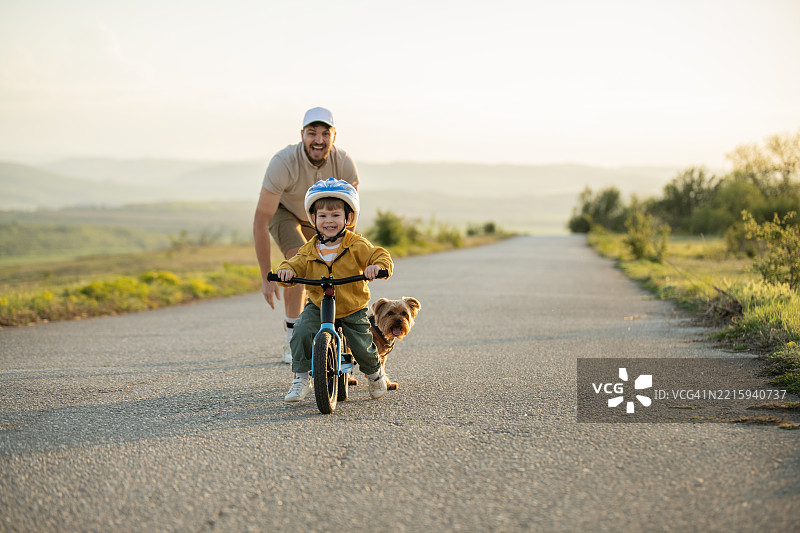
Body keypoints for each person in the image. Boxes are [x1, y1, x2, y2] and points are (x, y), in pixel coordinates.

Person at [253, 107, 360, 363]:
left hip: (323, 217)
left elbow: (350, 217)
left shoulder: (344, 163)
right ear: (302, 134)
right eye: (312, 133)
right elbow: (261, 220)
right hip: (286, 213)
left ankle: (323, 326)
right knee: (299, 258)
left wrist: (344, 257)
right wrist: (266, 276)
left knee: (330, 265)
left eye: (325, 133)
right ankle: (292, 338)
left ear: (334, 136)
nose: (319, 140)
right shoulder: (283, 163)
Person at [275, 179, 393, 402]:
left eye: (336, 215)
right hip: (319, 304)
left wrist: (377, 266)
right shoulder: (310, 248)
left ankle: (375, 373)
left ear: (348, 218)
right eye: (323, 216)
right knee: (301, 330)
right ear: (314, 218)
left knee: (361, 344)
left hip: (351, 305)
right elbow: (294, 263)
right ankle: (301, 378)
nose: (329, 220)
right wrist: (286, 272)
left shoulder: (355, 244)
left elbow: (379, 255)